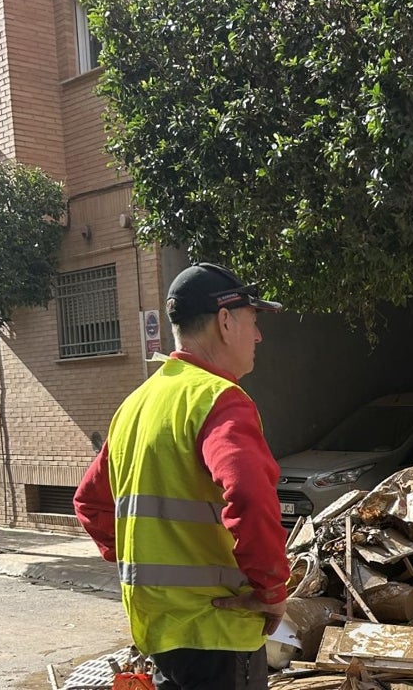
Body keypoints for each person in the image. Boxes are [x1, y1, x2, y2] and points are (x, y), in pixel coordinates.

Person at [74, 263, 291, 690]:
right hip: (219, 634)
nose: (259, 336)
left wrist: (154, 573)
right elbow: (248, 492)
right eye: (253, 321)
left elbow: (90, 503)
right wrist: (271, 590)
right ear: (225, 321)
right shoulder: (220, 399)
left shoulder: (137, 404)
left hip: (160, 633)